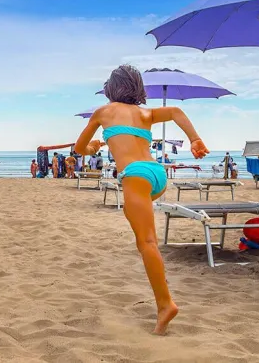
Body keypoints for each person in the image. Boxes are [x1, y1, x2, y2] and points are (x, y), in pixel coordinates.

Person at [74, 64, 209, 335]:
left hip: (135, 175)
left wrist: (93, 147)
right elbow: (175, 112)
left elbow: (79, 149)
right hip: (157, 176)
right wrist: (194, 139)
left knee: (146, 243)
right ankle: (164, 304)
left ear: (110, 89)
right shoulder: (145, 113)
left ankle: (166, 304)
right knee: (145, 237)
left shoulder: (103, 112)